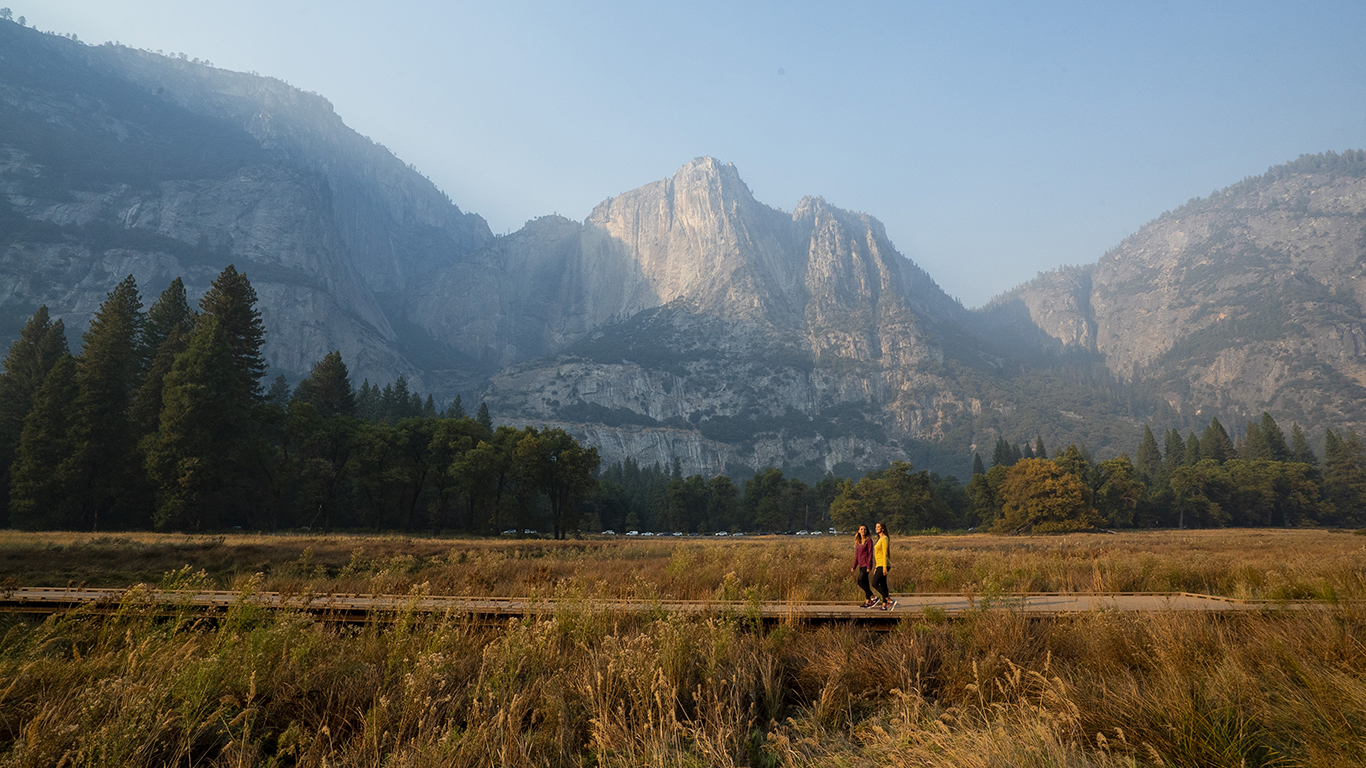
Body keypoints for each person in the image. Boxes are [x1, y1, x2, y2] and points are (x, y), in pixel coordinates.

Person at [871, 521, 896, 611]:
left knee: (874, 583)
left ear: (882, 529)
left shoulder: (884, 538)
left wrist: (884, 568)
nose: (876, 528)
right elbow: (879, 555)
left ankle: (888, 599)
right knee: (883, 584)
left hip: (884, 564)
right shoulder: (880, 538)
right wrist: (877, 567)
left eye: (878, 527)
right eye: (876, 527)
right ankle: (884, 605)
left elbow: (885, 554)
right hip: (880, 564)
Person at [851, 525, 875, 607]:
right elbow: (857, 555)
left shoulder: (868, 541)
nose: (863, 530)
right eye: (861, 529)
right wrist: (854, 566)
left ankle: (873, 597)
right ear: (858, 531)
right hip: (861, 565)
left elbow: (870, 554)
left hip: (866, 564)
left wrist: (869, 566)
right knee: (865, 582)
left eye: (865, 529)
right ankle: (867, 601)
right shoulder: (859, 542)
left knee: (860, 581)